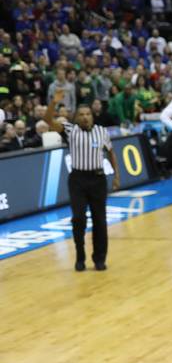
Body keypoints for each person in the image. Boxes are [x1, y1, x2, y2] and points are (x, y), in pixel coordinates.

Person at [44, 89, 121, 271]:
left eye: (88, 114)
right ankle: (80, 256)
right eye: (81, 115)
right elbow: (48, 120)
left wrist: (117, 176)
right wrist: (54, 103)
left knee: (100, 221)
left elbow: (111, 153)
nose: (85, 117)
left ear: (92, 116)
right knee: (78, 219)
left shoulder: (102, 132)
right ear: (76, 117)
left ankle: (99, 258)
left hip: (98, 179)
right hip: (78, 180)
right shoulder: (69, 130)